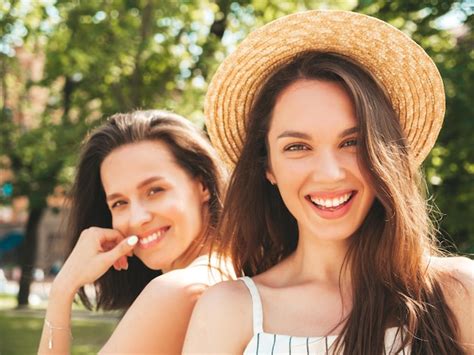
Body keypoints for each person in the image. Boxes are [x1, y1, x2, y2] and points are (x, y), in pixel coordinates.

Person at [183, 10, 473, 355]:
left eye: (352, 142)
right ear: (268, 167)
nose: (330, 173)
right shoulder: (229, 311)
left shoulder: (456, 292)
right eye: (297, 147)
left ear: (386, 153)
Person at [38, 110, 234, 354]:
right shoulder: (234, 274)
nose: (137, 218)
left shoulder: (176, 291)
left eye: (155, 190)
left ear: (203, 184)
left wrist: (62, 290)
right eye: (119, 203)